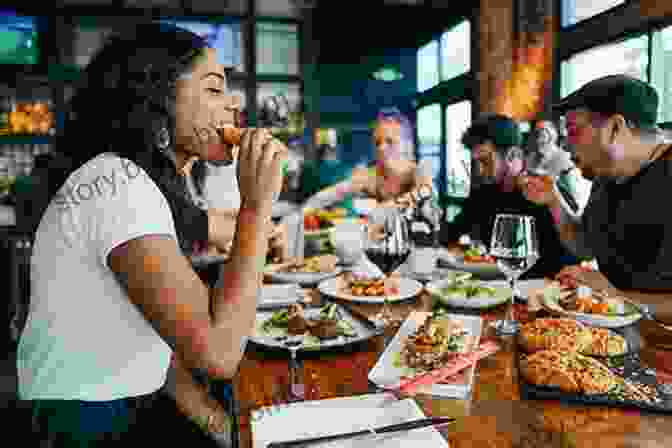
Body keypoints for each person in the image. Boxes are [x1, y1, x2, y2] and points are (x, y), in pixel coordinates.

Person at [17, 23, 287, 446]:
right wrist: (256, 207)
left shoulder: (132, 181)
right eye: (214, 90)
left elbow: (157, 340)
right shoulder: (118, 184)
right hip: (84, 426)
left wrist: (219, 425)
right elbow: (219, 353)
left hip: (117, 408)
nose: (234, 106)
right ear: (159, 99)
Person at [531, 75, 672, 292]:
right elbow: (586, 245)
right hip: (609, 323)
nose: (565, 146)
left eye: (573, 131)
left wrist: (615, 296)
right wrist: (553, 199)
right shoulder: (606, 177)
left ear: (615, 128)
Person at [439, 113, 576, 278]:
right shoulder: (482, 194)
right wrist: (430, 215)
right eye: (475, 163)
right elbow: (451, 232)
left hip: (535, 293)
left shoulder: (546, 193)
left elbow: (569, 259)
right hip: (490, 289)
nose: (479, 171)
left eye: (485, 162)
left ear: (513, 155)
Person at [303, 108, 433, 211]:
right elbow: (333, 193)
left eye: (390, 141)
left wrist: (389, 207)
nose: (382, 148)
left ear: (406, 144)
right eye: (377, 142)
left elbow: (425, 191)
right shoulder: (371, 175)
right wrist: (302, 212)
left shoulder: (418, 170)